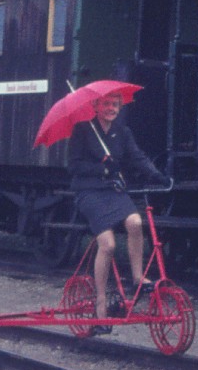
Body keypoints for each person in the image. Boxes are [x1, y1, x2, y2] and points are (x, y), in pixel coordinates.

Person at [68, 92, 168, 335]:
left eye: (115, 104)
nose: (111, 108)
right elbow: (74, 166)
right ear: (95, 106)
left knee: (135, 222)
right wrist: (102, 168)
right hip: (89, 193)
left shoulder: (123, 132)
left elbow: (137, 157)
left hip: (114, 191)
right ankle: (100, 304)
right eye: (106, 104)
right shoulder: (83, 130)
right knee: (109, 245)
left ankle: (137, 278)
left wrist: (156, 175)